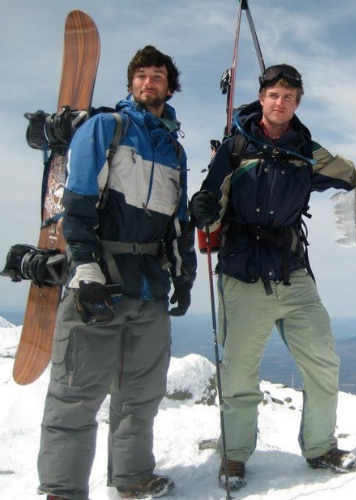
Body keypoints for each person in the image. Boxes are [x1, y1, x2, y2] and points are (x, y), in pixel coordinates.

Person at [191, 63, 356, 490]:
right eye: (273, 95)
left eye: (288, 96)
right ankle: (234, 456)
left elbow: (355, 176)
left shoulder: (307, 152)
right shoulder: (235, 146)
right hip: (243, 272)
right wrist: (203, 208)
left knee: (322, 363)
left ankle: (320, 446)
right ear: (261, 99)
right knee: (240, 373)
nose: (279, 102)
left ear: (297, 102)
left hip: (292, 272)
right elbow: (210, 194)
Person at [37, 46, 196, 500]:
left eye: (158, 76)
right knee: (76, 394)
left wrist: (182, 279)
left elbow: (178, 224)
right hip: (100, 281)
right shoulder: (106, 128)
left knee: (141, 394)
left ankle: (132, 478)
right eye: (141, 75)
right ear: (130, 84)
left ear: (170, 85)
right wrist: (84, 266)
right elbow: (79, 202)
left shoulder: (174, 149)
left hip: (149, 289)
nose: (150, 82)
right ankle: (63, 491)